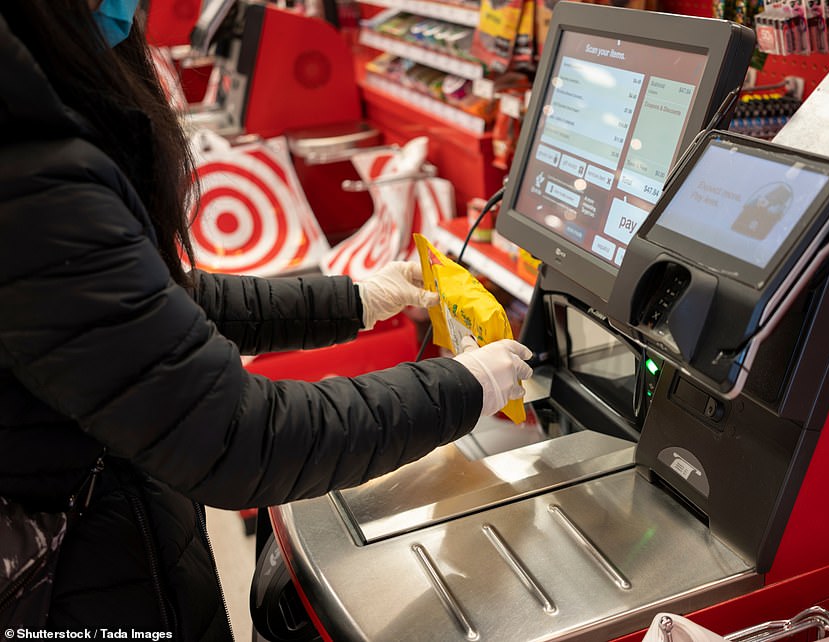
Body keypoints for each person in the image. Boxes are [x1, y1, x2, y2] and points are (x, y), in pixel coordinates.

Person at [0, 0, 533, 637]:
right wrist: (464, 386)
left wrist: (353, 299)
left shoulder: (38, 121)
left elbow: (145, 310)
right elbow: (236, 437)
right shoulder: (26, 171)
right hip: (74, 589)